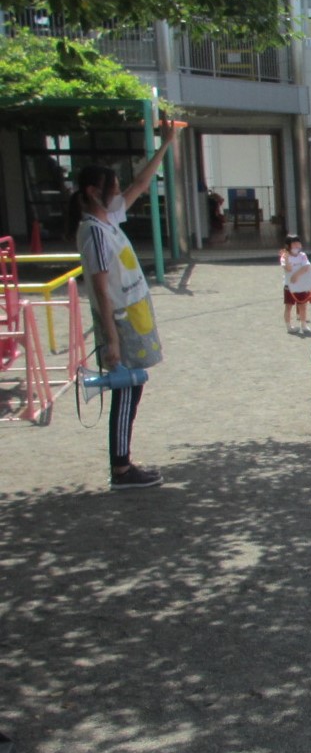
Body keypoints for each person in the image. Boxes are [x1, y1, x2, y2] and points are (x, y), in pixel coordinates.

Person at [73, 124, 177, 490]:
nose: (119, 193)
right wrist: (112, 339)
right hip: (118, 320)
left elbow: (139, 185)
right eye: (112, 189)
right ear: (93, 192)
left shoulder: (108, 221)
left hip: (132, 316)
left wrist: (165, 145)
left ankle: (123, 462)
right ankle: (121, 468)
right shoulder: (94, 232)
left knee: (134, 387)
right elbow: (100, 289)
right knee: (126, 388)